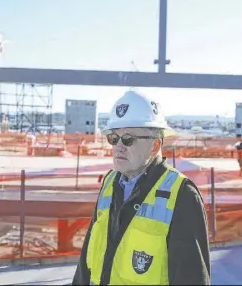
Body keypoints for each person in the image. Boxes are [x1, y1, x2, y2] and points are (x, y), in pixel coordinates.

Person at [72, 89, 211, 285]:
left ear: (154, 146)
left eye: (128, 139)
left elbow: (192, 278)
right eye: (114, 138)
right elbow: (86, 264)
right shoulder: (110, 183)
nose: (119, 146)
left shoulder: (182, 196)